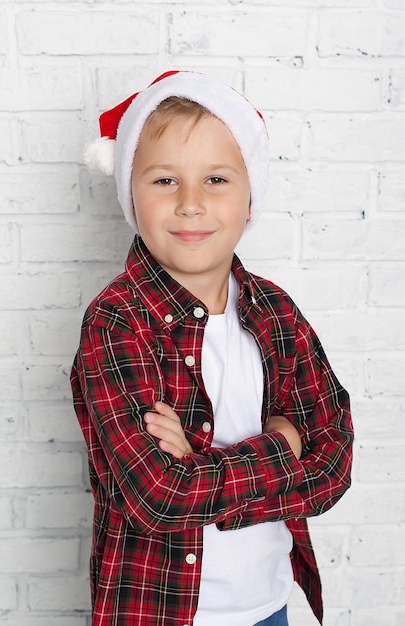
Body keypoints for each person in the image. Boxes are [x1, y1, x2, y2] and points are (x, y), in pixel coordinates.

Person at [71, 70, 353, 626]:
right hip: (159, 610)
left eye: (217, 179)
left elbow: (335, 463)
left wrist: (199, 468)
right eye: (165, 181)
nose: (191, 204)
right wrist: (281, 445)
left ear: (251, 198)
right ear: (131, 194)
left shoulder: (276, 313)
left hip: (267, 605)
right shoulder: (117, 323)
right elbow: (160, 497)